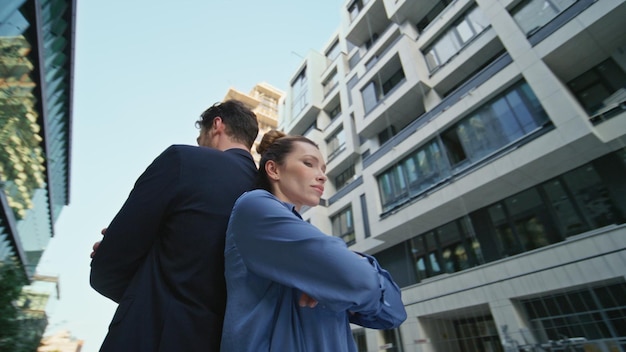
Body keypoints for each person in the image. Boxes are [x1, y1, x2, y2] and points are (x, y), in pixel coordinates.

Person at [89, 99, 259, 352]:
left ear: (217, 125)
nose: (199, 144)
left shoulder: (183, 159)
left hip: (149, 334)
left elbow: (110, 264)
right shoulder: (268, 193)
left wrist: (142, 273)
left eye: (200, 137)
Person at [221, 130, 407, 352]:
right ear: (273, 169)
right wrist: (341, 273)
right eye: (309, 163)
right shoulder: (255, 207)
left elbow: (394, 314)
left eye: (323, 169)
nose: (322, 176)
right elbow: (362, 281)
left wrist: (347, 266)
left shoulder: (306, 235)